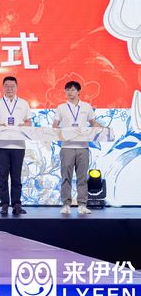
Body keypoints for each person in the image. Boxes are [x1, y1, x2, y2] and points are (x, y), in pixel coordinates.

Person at [53, 81, 102, 215]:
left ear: (79, 91)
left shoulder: (86, 106)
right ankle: (66, 204)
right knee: (66, 177)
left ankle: (82, 205)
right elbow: (55, 125)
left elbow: (93, 123)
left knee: (82, 178)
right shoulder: (61, 108)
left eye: (73, 90)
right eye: (68, 90)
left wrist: (104, 130)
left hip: (83, 147)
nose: (70, 92)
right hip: (67, 147)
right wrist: (60, 132)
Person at [0, 76, 32, 215]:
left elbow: (29, 122)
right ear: (3, 88)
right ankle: (4, 204)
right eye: (6, 86)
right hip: (1, 144)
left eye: (12, 86)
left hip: (18, 144)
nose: (9, 88)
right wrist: (2, 125)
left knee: (16, 176)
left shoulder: (23, 103)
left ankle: (16, 204)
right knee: (2, 176)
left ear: (16, 87)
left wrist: (20, 126)